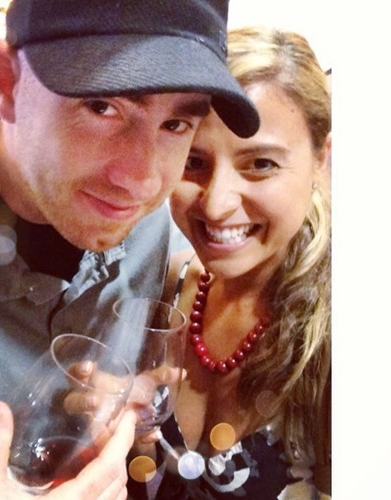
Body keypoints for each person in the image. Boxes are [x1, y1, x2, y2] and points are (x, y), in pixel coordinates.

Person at [0, 0, 260, 498]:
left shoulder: (156, 228)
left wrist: (126, 407)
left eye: (176, 124)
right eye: (101, 106)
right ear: (6, 83)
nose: (142, 181)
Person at [127, 26, 331, 498]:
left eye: (260, 164)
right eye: (193, 162)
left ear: (322, 160)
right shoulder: (174, 282)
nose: (217, 205)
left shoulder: (336, 339)